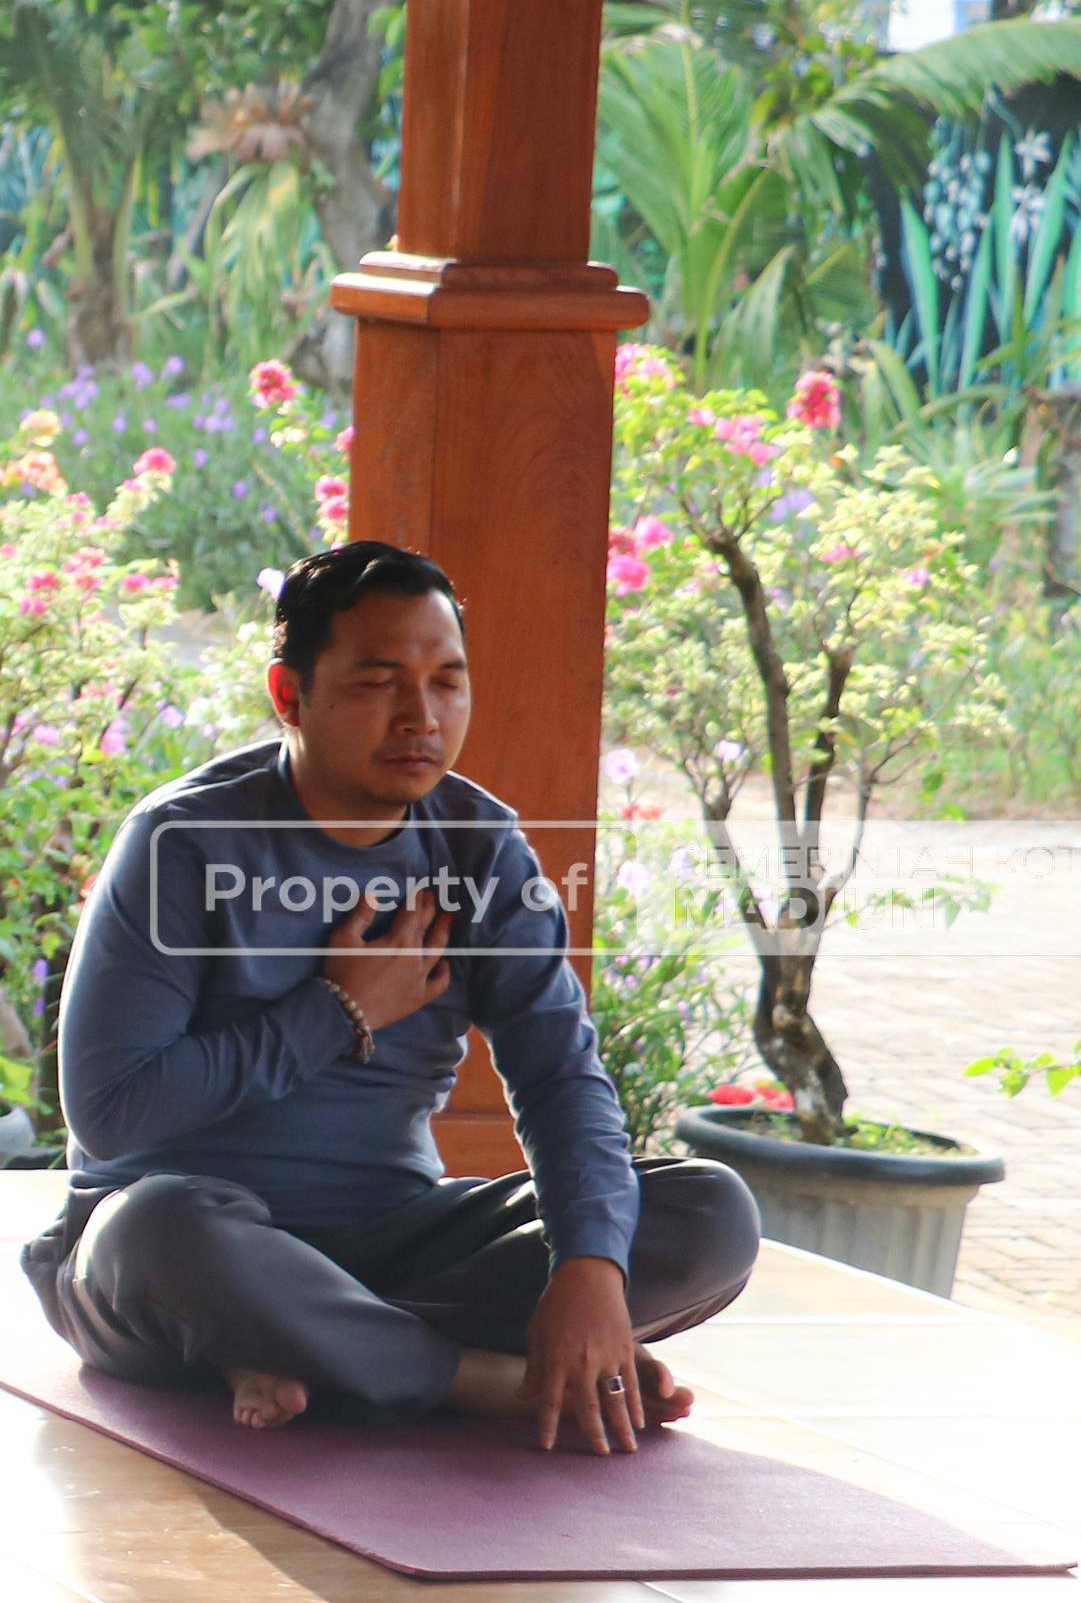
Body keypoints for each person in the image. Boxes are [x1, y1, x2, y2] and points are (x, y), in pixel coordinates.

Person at [42, 538, 759, 1449]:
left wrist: (589, 1274)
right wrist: (333, 1013)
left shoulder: (479, 850)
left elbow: (560, 1077)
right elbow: (111, 1115)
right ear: (289, 696)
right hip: (188, 1245)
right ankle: (472, 1377)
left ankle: (306, 1343)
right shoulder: (182, 842)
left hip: (391, 1241)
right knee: (151, 1231)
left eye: (447, 683)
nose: (421, 717)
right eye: (379, 683)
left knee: (708, 1211)